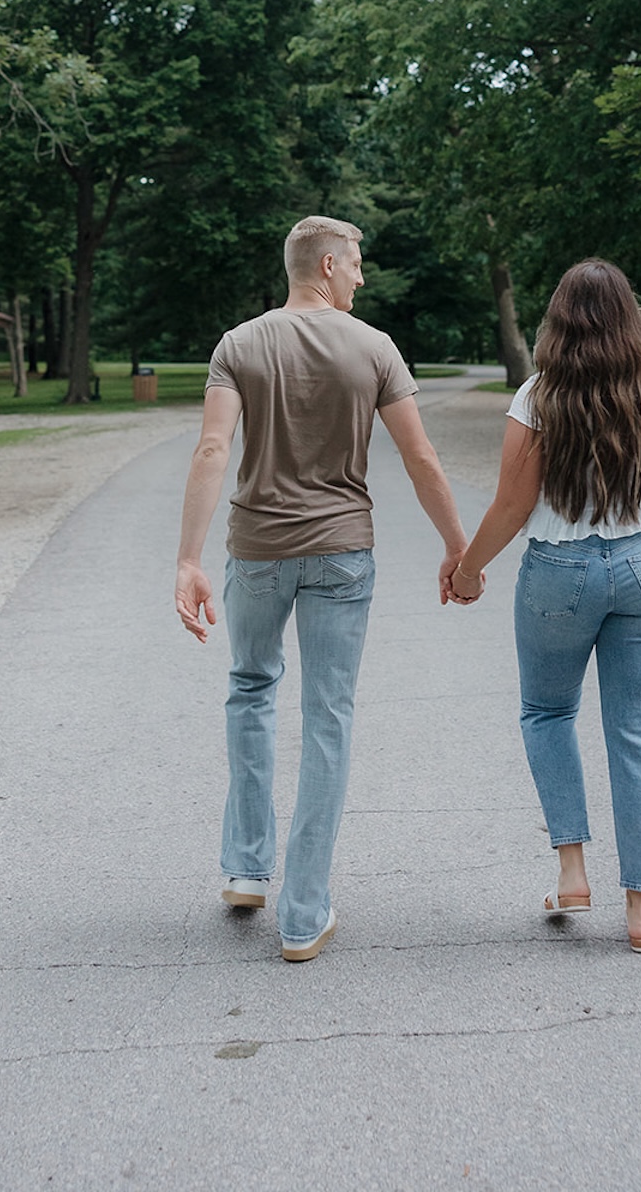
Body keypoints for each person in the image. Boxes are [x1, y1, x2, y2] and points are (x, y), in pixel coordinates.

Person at [174, 215, 469, 962]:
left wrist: (188, 558)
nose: (363, 278)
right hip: (342, 552)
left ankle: (246, 866)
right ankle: (303, 913)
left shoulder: (238, 345)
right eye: (359, 264)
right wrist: (457, 545)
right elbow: (420, 455)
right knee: (327, 716)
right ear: (330, 265)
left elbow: (214, 446)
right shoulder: (374, 348)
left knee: (249, 687)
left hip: (258, 550)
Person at [448, 259, 641, 953]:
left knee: (548, 712)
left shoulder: (538, 397)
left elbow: (515, 504)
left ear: (557, 322)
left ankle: (573, 872)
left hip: (560, 570)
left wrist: (467, 571)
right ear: (626, 319)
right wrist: (638, 536)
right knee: (637, 732)